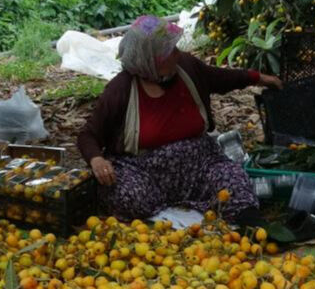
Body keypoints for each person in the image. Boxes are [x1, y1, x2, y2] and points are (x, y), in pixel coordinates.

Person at [77, 15, 282, 225]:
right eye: (169, 51)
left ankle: (252, 224)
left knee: (233, 179)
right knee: (127, 196)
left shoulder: (186, 67)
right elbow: (88, 134)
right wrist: (96, 159)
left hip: (200, 165)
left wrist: (258, 78)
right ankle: (171, 213)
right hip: (144, 172)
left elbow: (220, 77)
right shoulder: (121, 89)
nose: (177, 54)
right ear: (150, 60)